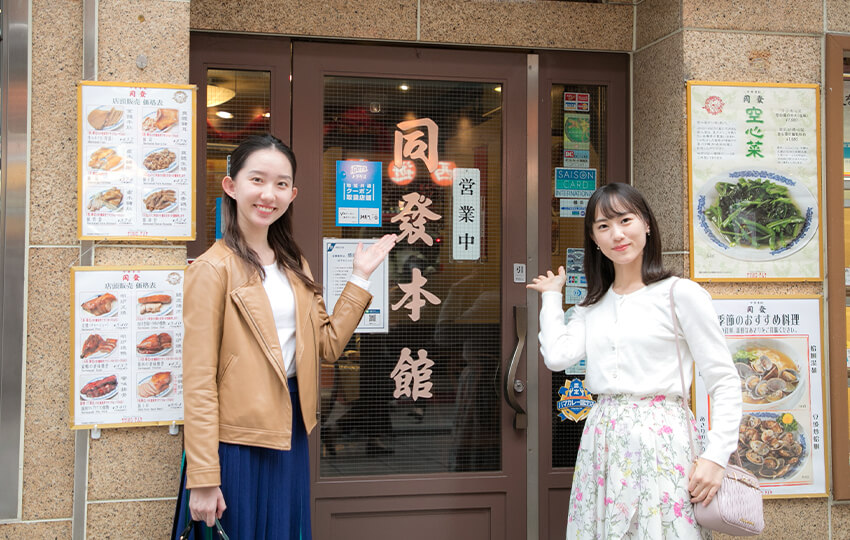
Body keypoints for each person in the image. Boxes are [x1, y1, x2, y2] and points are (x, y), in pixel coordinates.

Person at [173, 133, 396, 539]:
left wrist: (360, 277)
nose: (268, 194)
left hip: (289, 427)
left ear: (292, 194)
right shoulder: (211, 269)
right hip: (235, 441)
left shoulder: (295, 265)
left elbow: (327, 345)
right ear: (231, 186)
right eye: (257, 180)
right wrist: (204, 476)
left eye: (280, 184)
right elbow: (199, 379)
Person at [527, 183, 742, 539]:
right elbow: (557, 356)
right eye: (603, 226)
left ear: (646, 225)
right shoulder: (591, 306)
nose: (617, 234)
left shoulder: (680, 294)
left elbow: (724, 379)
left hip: (663, 439)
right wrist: (552, 299)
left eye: (625, 220)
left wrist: (717, 455)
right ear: (594, 239)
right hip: (604, 438)